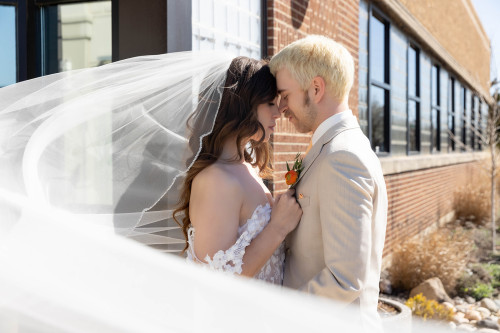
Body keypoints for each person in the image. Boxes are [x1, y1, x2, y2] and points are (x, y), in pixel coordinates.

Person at [269, 35, 388, 328]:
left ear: (316, 88)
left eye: (285, 95)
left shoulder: (342, 156)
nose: (281, 108)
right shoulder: (332, 148)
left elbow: (345, 278)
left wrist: (279, 315)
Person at [174, 57, 302, 284]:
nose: (278, 113)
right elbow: (216, 281)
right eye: (270, 103)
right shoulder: (215, 180)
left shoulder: (248, 167)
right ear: (242, 105)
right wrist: (278, 227)